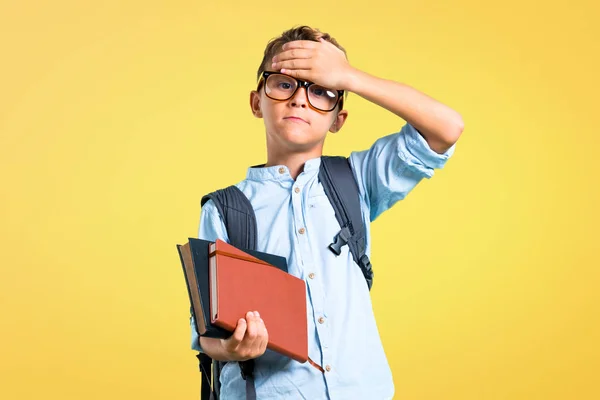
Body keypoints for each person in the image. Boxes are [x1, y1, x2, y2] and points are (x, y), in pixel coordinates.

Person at [190, 25, 464, 400]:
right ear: (257, 102)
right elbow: (207, 336)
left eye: (320, 90)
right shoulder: (225, 209)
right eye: (285, 84)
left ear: (339, 119)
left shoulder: (356, 181)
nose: (301, 99)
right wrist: (233, 349)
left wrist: (349, 76)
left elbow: (447, 128)